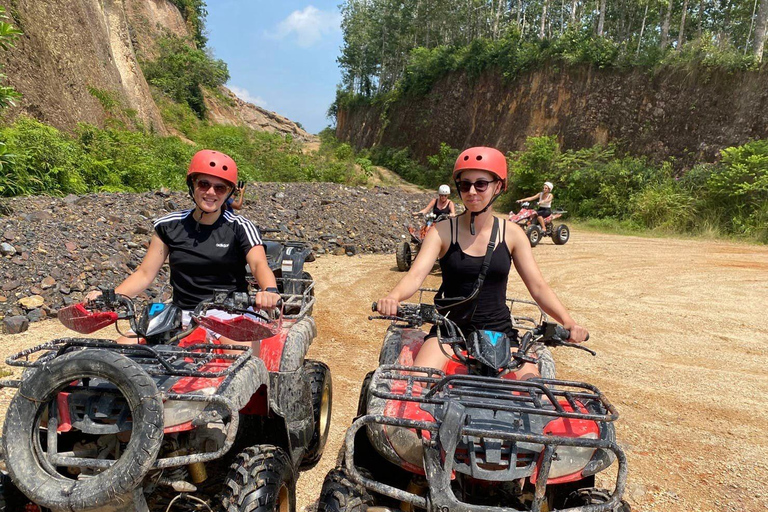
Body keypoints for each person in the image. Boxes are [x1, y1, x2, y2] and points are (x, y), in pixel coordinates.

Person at [377, 148, 587, 379]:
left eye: (481, 184)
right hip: (448, 331)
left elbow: (538, 287)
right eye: (465, 185)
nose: (472, 191)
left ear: (498, 186)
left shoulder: (513, 234)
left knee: (533, 393)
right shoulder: (442, 231)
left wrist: (568, 322)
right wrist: (393, 297)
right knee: (420, 385)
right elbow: (415, 276)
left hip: (500, 333)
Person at [86, 150, 280, 349]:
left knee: (242, 361)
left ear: (229, 192)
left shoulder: (240, 226)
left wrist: (269, 291)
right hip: (179, 313)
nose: (211, 192)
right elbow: (144, 274)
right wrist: (110, 296)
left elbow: (258, 264)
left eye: (220, 188)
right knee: (116, 352)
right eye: (204, 184)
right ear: (192, 184)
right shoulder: (168, 226)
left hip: (229, 313)